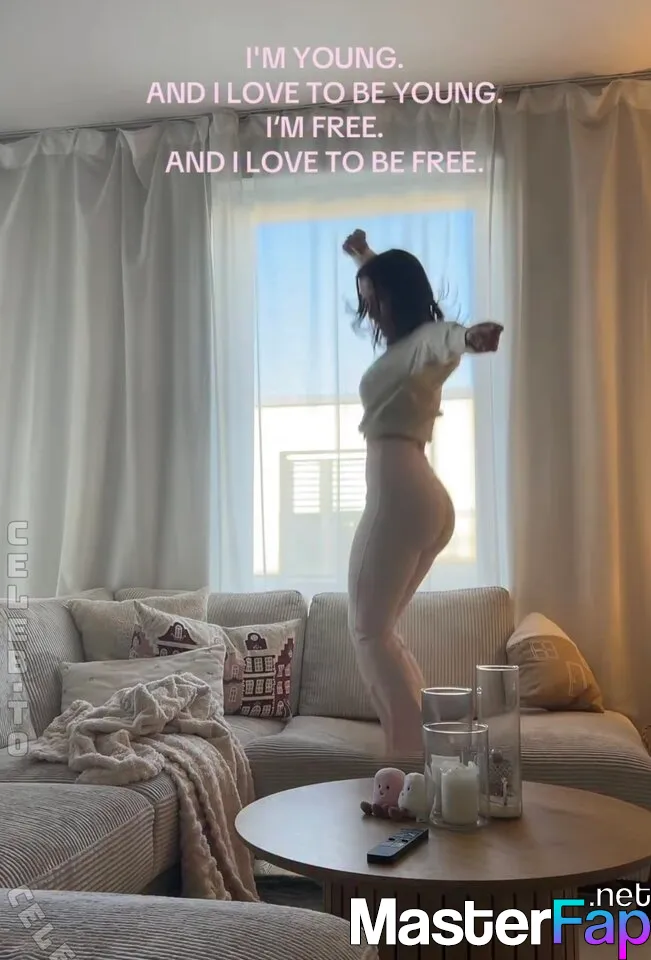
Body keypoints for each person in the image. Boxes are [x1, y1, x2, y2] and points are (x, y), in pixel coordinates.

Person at [342, 228, 503, 755]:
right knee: (381, 631)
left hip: (401, 495)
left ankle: (408, 764)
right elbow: (394, 287)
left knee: (369, 632)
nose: (372, 311)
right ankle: (432, 756)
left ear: (401, 294)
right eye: (368, 301)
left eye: (378, 300)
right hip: (418, 496)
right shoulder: (404, 349)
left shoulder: (425, 342)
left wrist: (470, 338)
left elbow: (445, 338)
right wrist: (365, 258)